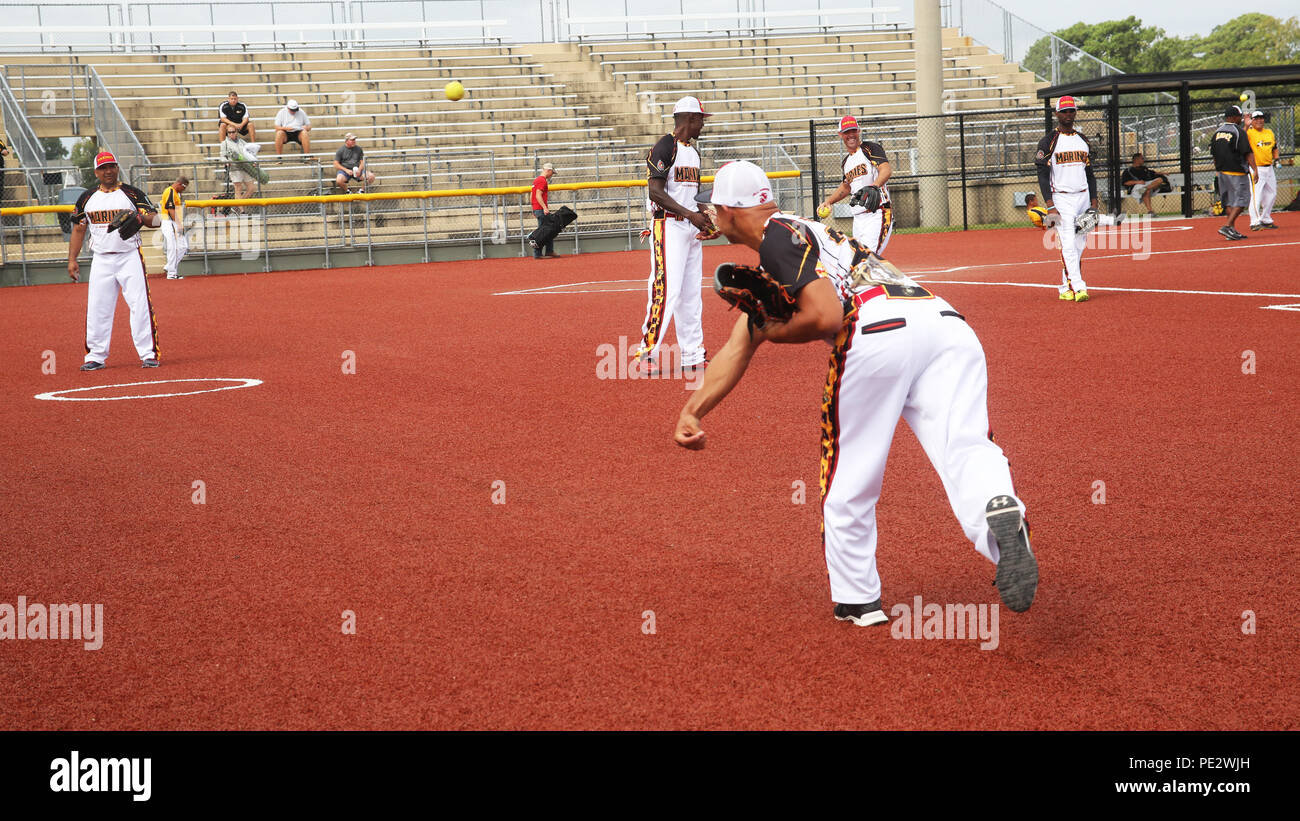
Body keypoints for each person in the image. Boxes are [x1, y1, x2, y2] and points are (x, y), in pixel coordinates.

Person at [675, 160, 1036, 625]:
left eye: (714, 208)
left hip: (876, 329)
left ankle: (858, 598)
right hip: (944, 323)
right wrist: (693, 411)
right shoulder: (807, 233)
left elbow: (823, 317)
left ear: (726, 211)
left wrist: (772, 331)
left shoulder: (777, 237)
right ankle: (996, 513)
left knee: (851, 473)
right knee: (966, 445)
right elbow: (739, 345)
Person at [634, 96, 714, 376]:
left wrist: (706, 219)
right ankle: (646, 351)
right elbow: (655, 191)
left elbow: (694, 197)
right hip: (668, 225)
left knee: (692, 294)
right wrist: (691, 214)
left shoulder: (694, 152)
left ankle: (692, 354)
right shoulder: (665, 146)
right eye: (701, 119)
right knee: (666, 290)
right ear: (690, 118)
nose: (703, 124)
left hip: (690, 227)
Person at [67, 151, 164, 370]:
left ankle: (148, 353)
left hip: (129, 256)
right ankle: (96, 356)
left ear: (117, 168)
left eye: (111, 166)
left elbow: (156, 220)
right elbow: (78, 228)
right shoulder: (87, 198)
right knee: (97, 307)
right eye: (103, 168)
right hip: (101, 258)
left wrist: (141, 218)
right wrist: (72, 259)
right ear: (96, 172)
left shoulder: (132, 193)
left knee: (140, 305)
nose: (107, 171)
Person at [1034, 95, 1098, 302]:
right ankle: (1079, 286)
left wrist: (1094, 202)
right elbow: (1042, 175)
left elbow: (1090, 173)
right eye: (1064, 111)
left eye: (1072, 111)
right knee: (1068, 243)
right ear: (1057, 113)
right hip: (1061, 198)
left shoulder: (1083, 140)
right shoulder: (1049, 141)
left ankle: (1065, 287)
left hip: (1083, 197)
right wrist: (1050, 205)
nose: (1068, 114)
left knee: (1080, 244)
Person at [816, 115, 893, 255]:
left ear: (858, 131)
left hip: (877, 212)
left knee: (867, 258)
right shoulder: (846, 162)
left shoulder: (870, 148)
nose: (850, 135)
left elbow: (886, 169)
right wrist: (828, 201)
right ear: (840, 135)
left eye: (853, 131)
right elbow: (846, 186)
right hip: (858, 218)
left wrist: (874, 186)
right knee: (857, 259)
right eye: (846, 132)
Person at [1211, 105, 1258, 241]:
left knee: (1230, 202)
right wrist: (1255, 169)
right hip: (1237, 171)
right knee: (1242, 200)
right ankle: (1227, 226)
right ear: (1233, 117)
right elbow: (1247, 152)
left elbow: (1214, 154)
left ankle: (1231, 230)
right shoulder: (1238, 132)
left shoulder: (1217, 132)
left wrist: (1218, 170)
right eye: (1239, 116)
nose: (1241, 118)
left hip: (1222, 172)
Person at [1246, 110, 1278, 230]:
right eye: (1256, 118)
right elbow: (1242, 138)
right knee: (1256, 195)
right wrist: (1246, 125)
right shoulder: (1249, 133)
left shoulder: (1269, 132)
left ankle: (1265, 219)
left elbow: (1275, 147)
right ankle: (1254, 222)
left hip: (1269, 167)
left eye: (1261, 118)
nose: (1259, 120)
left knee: (1272, 193)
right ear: (1252, 121)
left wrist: (1277, 159)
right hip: (1256, 168)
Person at [159, 176, 189, 279]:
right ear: (180, 184)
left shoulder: (175, 193)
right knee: (173, 247)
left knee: (183, 246)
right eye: (184, 187)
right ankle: (171, 274)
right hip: (169, 222)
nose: (184, 190)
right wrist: (179, 224)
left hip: (173, 222)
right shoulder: (170, 191)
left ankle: (169, 267)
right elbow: (171, 209)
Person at [220, 130, 260, 209]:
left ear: (236, 132)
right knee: (238, 188)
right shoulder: (225, 143)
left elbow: (250, 153)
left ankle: (236, 206)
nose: (231, 134)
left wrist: (253, 161)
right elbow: (222, 156)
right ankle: (241, 211)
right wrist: (226, 162)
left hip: (245, 167)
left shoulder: (242, 142)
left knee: (251, 188)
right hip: (234, 168)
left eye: (233, 132)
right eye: (229, 132)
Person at [530, 162, 558, 259]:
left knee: (548, 230)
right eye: (552, 173)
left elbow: (532, 195)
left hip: (537, 208)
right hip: (541, 209)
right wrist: (544, 207)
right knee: (543, 232)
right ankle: (538, 253)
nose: (551, 175)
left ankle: (549, 251)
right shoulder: (542, 180)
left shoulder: (537, 180)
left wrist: (533, 208)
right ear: (548, 170)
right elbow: (538, 195)